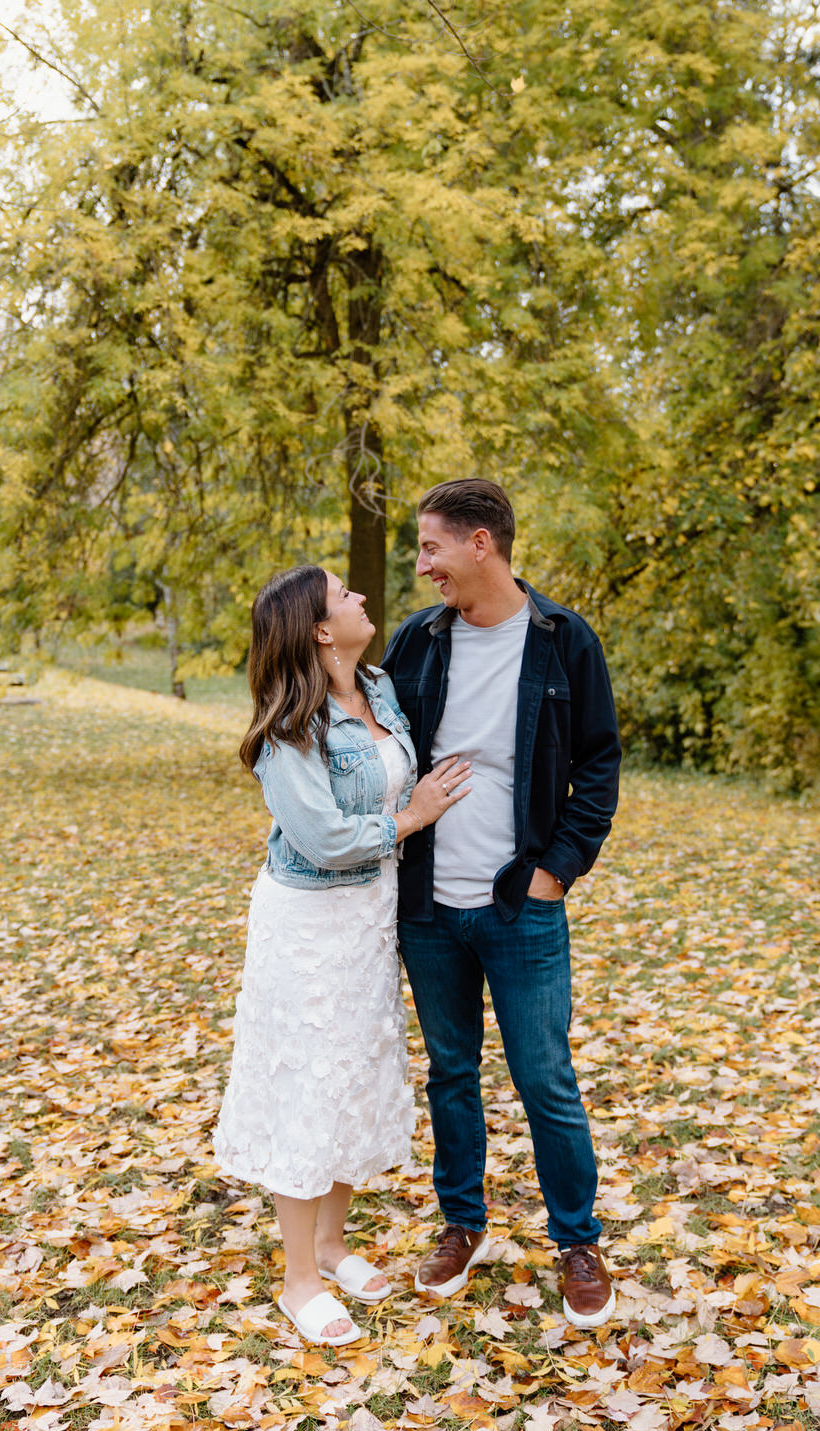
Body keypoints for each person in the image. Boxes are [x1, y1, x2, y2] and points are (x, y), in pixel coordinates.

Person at [381, 479, 622, 1328]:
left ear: (481, 543)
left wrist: (558, 870)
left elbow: (598, 765)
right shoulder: (417, 643)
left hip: (522, 906)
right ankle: (462, 1225)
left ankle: (577, 1240)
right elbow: (372, 743)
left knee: (545, 1076)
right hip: (428, 909)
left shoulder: (563, 641)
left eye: (432, 547)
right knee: (452, 1071)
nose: (423, 566)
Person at [213, 564, 471, 1347]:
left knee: (354, 1073)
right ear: (321, 630)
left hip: (368, 917)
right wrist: (413, 817)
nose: (362, 598)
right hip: (308, 925)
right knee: (309, 1083)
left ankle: (329, 1247)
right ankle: (298, 1282)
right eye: (344, 596)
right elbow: (325, 839)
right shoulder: (287, 728)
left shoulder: (380, 688)